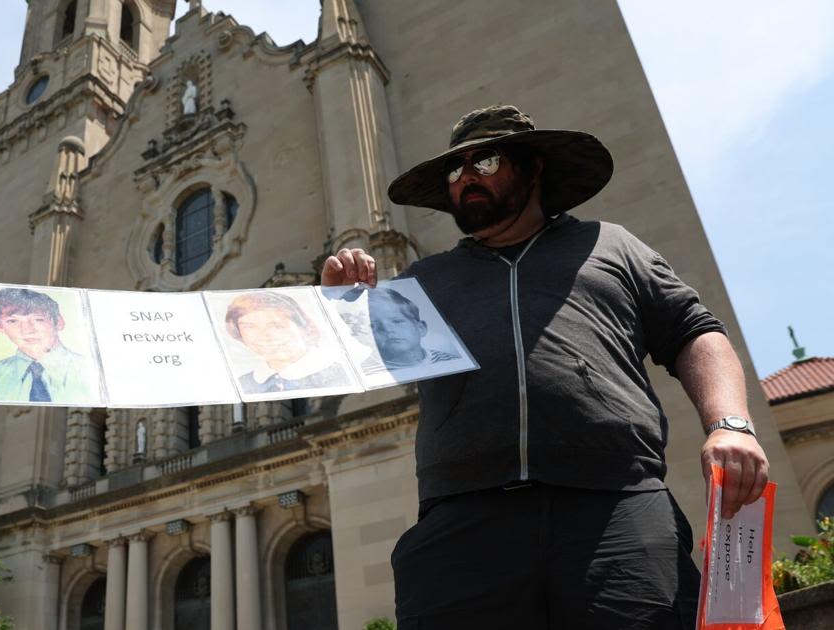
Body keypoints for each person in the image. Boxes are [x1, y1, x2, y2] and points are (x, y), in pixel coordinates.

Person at [321, 105, 769, 629]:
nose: (465, 178)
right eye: (454, 170)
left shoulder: (612, 246)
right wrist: (340, 306)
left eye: (485, 162)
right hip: (462, 522)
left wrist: (730, 424)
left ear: (534, 168)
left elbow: (696, 332)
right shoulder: (425, 281)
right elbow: (352, 362)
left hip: (616, 506)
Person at [0, 287, 91, 403]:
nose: (27, 330)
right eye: (13, 321)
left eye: (38, 319)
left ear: (58, 322)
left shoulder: (90, 370)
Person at [224, 291, 352, 393]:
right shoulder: (242, 383)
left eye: (275, 325)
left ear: (301, 326)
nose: (263, 335)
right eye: (249, 327)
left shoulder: (338, 373)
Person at [336, 287, 460, 374]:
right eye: (373, 325)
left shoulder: (451, 360)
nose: (388, 330)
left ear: (421, 328)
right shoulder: (365, 372)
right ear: (361, 337)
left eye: (397, 321)